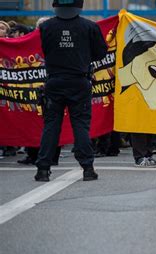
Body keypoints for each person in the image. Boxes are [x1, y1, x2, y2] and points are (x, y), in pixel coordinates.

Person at [34, 0, 108, 182]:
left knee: (51, 125)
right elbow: (101, 53)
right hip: (79, 81)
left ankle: (43, 169)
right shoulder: (89, 26)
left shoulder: (46, 27)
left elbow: (43, 50)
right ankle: (88, 168)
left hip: (55, 81)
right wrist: (82, 54)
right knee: (80, 125)